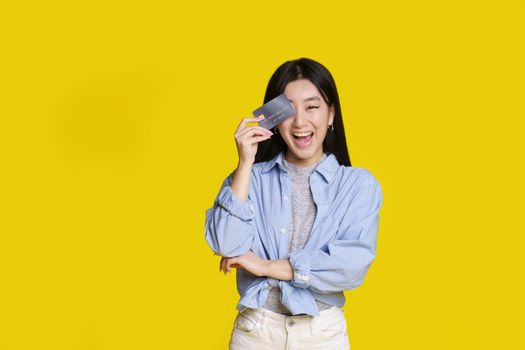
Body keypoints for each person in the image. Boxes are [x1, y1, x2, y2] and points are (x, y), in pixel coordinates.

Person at [204, 57, 383, 350]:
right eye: (288, 109)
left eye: (312, 106)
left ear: (331, 114)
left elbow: (350, 267)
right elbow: (225, 243)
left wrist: (265, 266)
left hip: (323, 335)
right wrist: (245, 162)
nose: (300, 121)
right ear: (273, 117)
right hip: (256, 333)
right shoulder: (251, 179)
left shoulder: (358, 186)